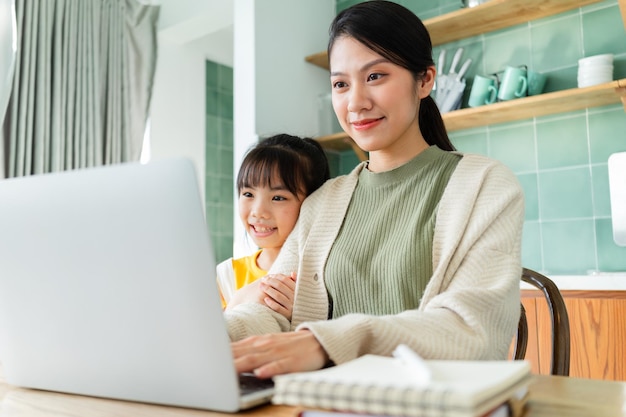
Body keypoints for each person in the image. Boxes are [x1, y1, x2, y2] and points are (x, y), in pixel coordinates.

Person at [226, 0, 524, 378]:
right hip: (324, 401)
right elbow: (269, 311)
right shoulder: (322, 202)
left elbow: (472, 332)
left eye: (375, 76)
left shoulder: (485, 185)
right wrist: (217, 332)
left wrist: (325, 343)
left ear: (425, 80)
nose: (356, 103)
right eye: (340, 84)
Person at [217, 134, 330, 320]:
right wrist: (239, 301)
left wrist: (301, 315)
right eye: (248, 194)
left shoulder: (324, 274)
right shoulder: (226, 276)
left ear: (313, 202)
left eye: (278, 198)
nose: (258, 212)